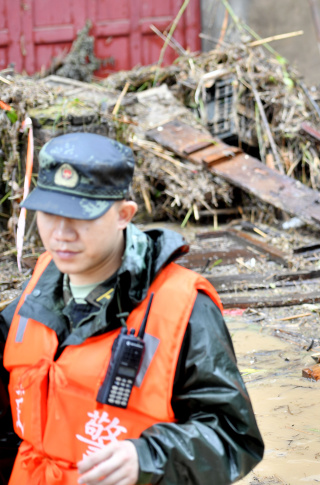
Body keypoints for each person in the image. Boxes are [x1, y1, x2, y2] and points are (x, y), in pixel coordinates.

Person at [0, 133, 264, 484]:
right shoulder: (38, 289)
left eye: (81, 216)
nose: (61, 234)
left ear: (124, 214)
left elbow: (235, 437)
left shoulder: (183, 307)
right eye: (49, 214)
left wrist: (147, 458)